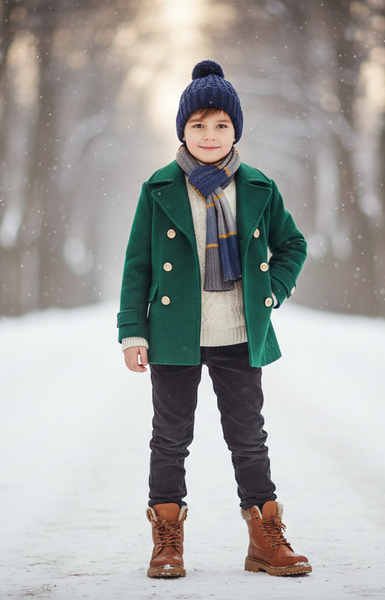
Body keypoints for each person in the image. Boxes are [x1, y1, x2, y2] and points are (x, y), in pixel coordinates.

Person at [117, 60, 311, 579]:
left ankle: (265, 541)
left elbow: (292, 245)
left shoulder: (257, 187)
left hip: (239, 334)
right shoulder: (159, 188)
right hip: (173, 335)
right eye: (198, 125)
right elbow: (138, 264)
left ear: (236, 130)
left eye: (221, 124)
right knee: (170, 438)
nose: (209, 135)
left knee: (249, 437)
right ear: (182, 130)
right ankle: (167, 543)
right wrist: (131, 331)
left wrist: (272, 290)